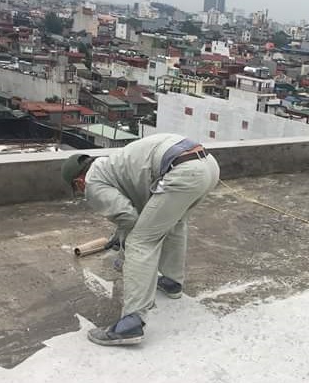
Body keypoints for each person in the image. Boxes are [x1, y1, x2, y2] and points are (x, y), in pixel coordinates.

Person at [61, 133, 220, 346]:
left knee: (140, 242)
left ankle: (131, 323)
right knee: (174, 224)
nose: (82, 192)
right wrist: (119, 233)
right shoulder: (114, 164)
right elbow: (140, 211)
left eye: (78, 189)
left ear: (79, 180)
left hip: (183, 172)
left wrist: (125, 245)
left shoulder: (92, 181)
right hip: (208, 165)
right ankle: (172, 282)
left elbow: (129, 218)